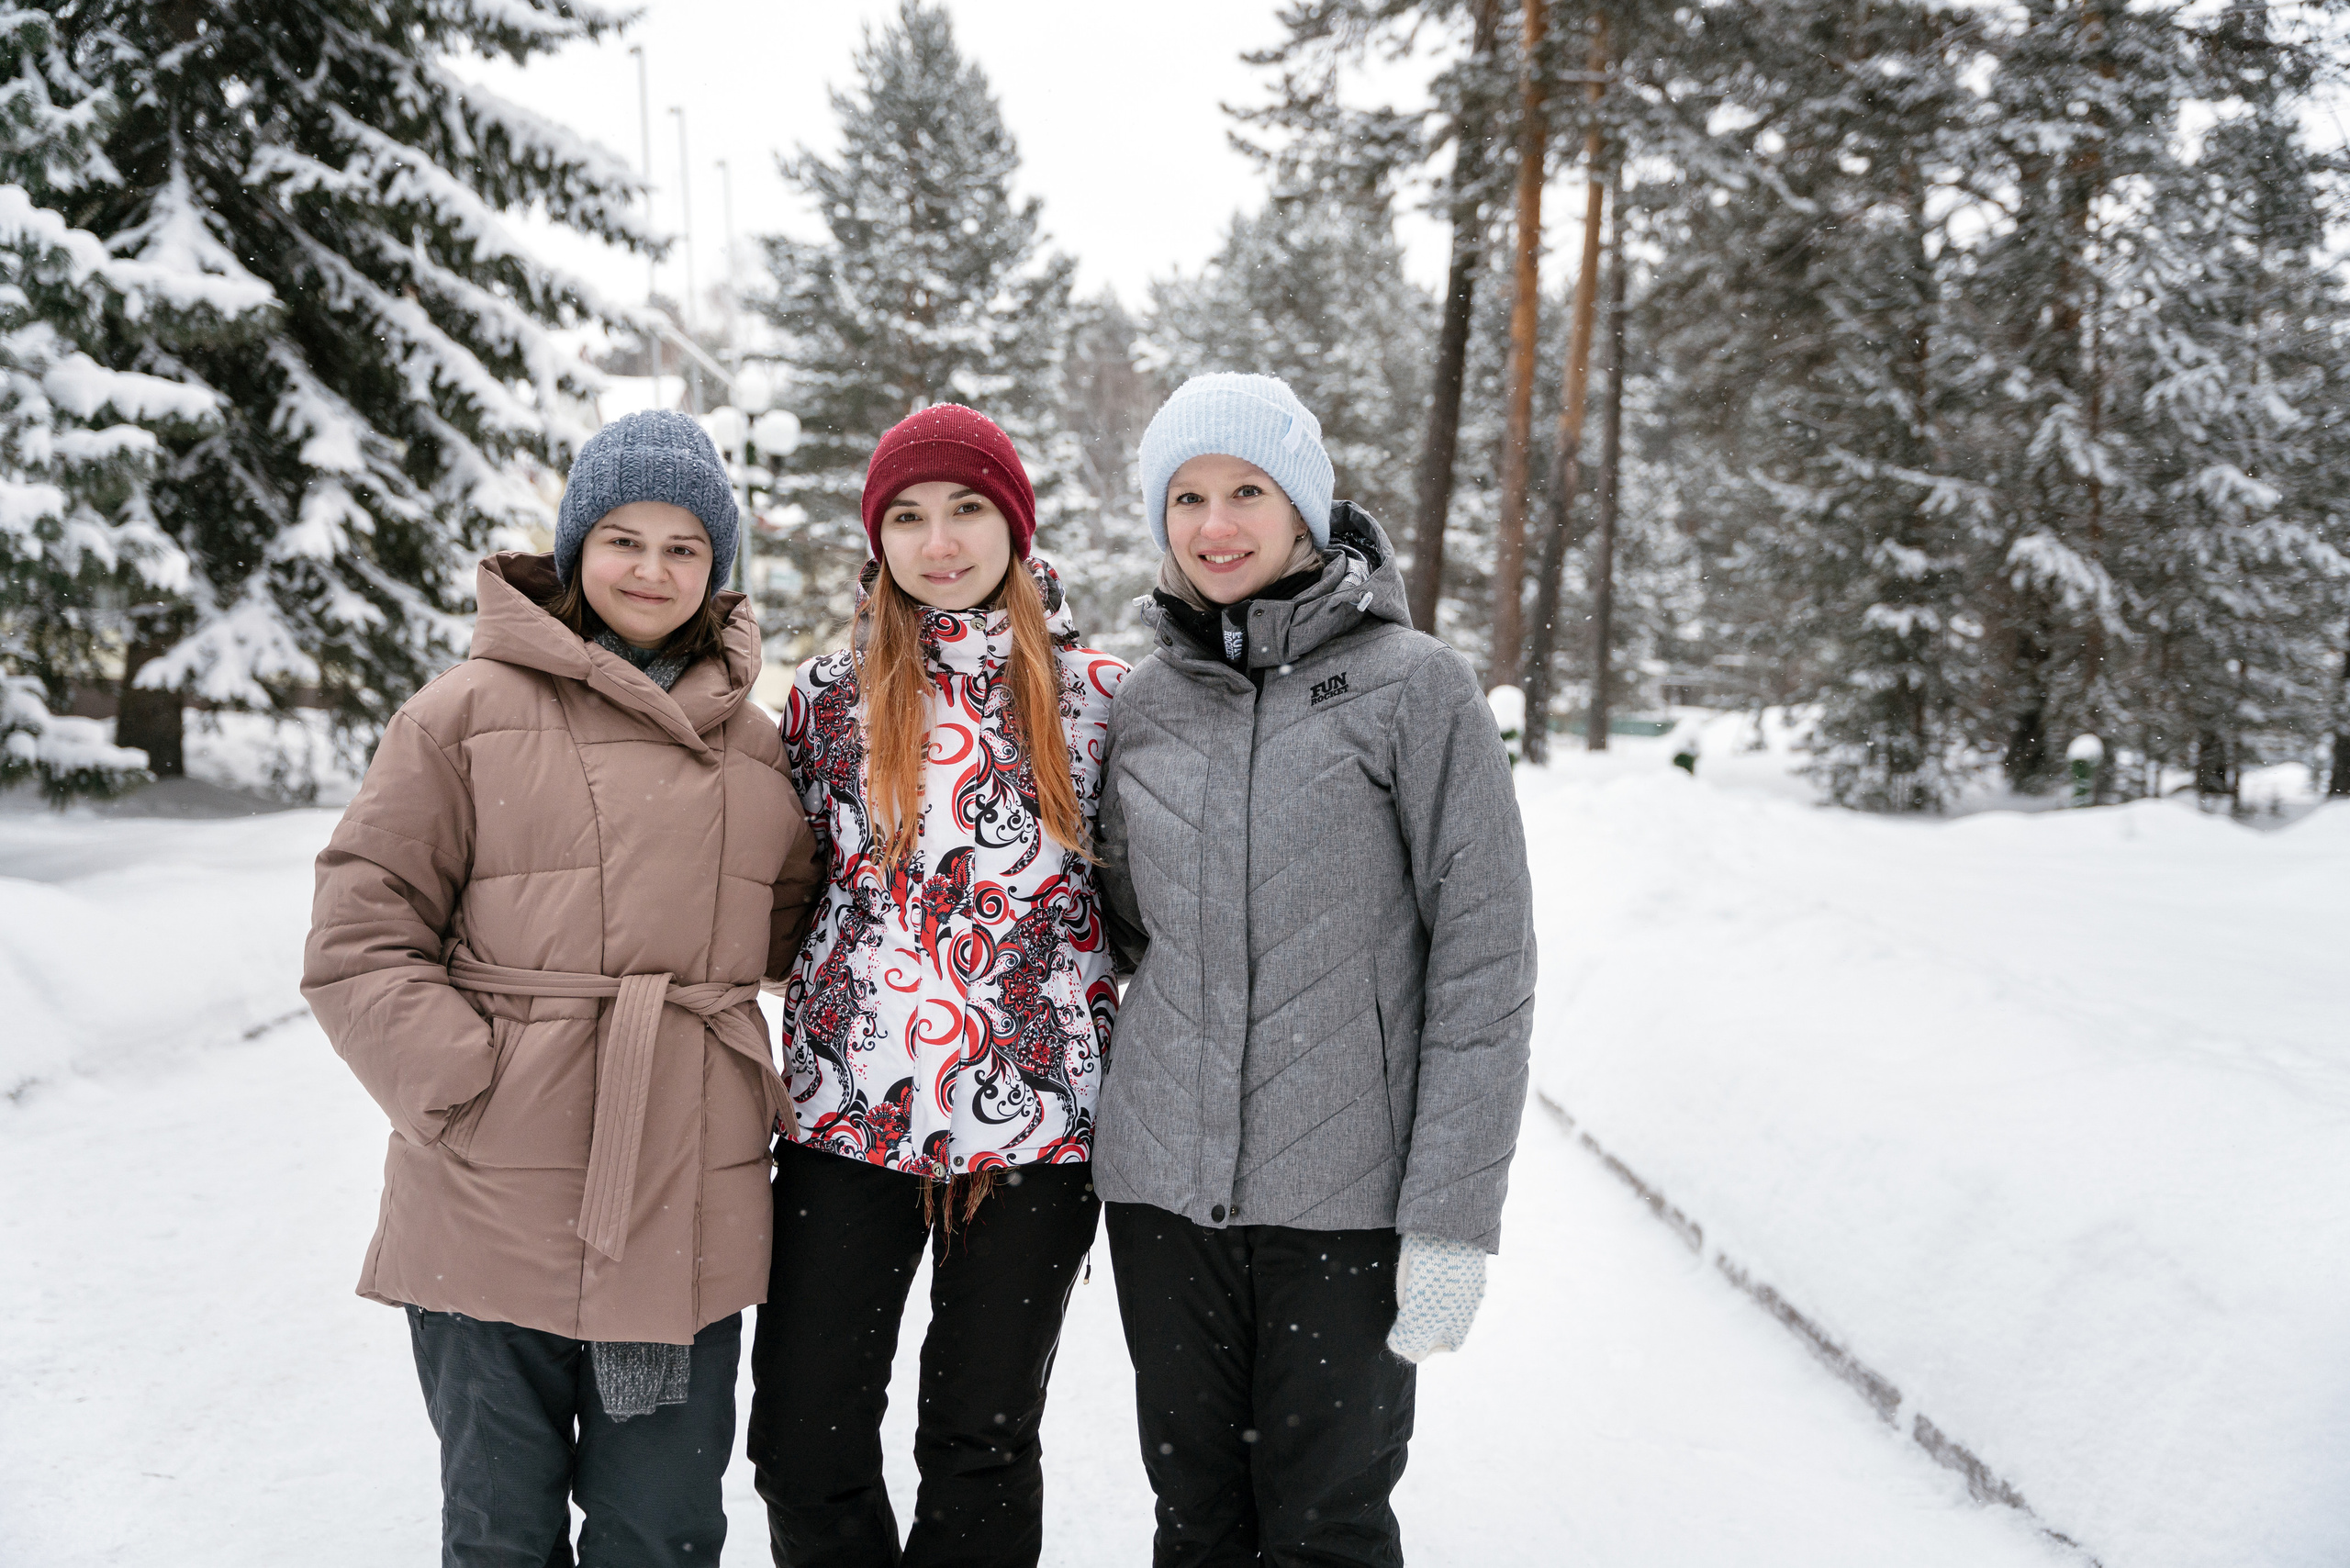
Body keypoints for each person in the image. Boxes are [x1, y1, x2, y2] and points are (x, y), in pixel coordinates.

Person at [302, 409, 822, 1567]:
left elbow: (802, 929)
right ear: (577, 546)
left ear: (716, 567)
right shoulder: (462, 715)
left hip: (683, 1197)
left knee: (665, 1531)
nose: (651, 568)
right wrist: (470, 1091)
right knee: (499, 1530)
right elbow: (358, 931)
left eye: (684, 546)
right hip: (490, 1200)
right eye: (623, 538)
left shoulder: (759, 746)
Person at [1093, 373, 1537, 1566]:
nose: (1215, 523)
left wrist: (1451, 1223)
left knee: (1325, 1529)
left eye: (1247, 489)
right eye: (1186, 496)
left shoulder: (1418, 693)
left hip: (1345, 1206)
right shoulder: (1141, 708)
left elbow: (1484, 968)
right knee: (1196, 1524)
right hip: (1162, 1201)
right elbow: (1124, 926)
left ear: (1306, 507)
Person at [748, 404, 1130, 1568]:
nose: (940, 540)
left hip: (1037, 1130)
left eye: (967, 509)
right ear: (878, 540)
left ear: (1012, 523)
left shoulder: (1102, 697)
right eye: (907, 517)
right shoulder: (821, 698)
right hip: (845, 1114)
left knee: (978, 1442)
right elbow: (775, 877)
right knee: (802, 1439)